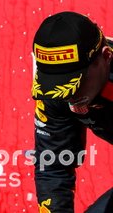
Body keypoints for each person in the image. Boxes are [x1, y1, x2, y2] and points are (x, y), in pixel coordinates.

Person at [31, 11, 113, 213]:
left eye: (76, 83)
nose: (67, 95)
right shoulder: (53, 93)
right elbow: (54, 166)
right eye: (56, 83)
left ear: (106, 57)